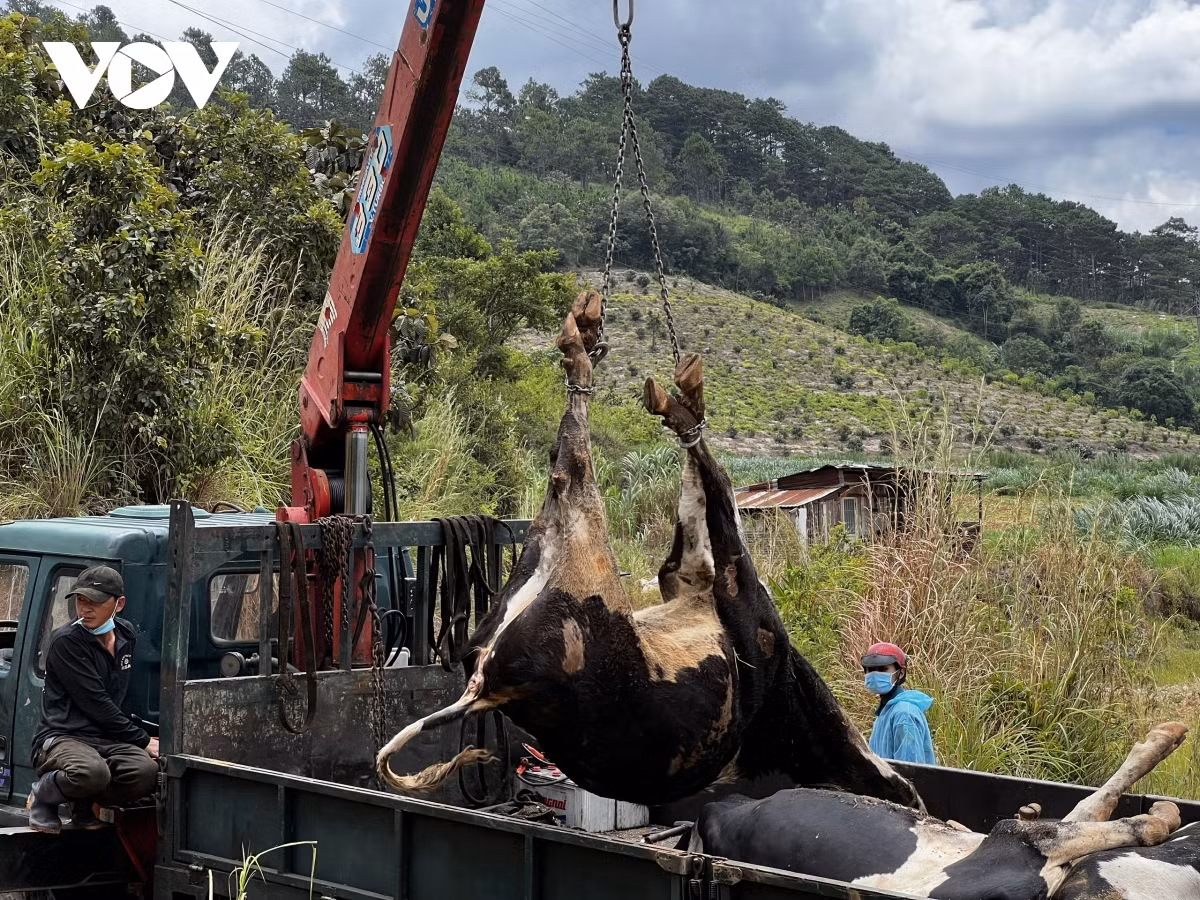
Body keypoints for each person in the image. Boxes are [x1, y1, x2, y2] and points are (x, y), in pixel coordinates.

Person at [26, 565, 159, 834]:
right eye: (80, 600)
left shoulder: (126, 635)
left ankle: (83, 805)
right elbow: (97, 704)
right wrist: (143, 740)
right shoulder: (67, 643)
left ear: (118, 604)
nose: (85, 609)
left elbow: (117, 696)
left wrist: (142, 739)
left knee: (146, 773)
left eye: (95, 602)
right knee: (91, 772)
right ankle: (43, 794)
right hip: (65, 736)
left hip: (105, 738)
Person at [861, 641, 937, 765]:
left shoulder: (904, 714)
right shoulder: (886, 711)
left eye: (883, 669)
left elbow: (910, 771)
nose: (874, 674)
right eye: (870, 669)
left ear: (900, 673)